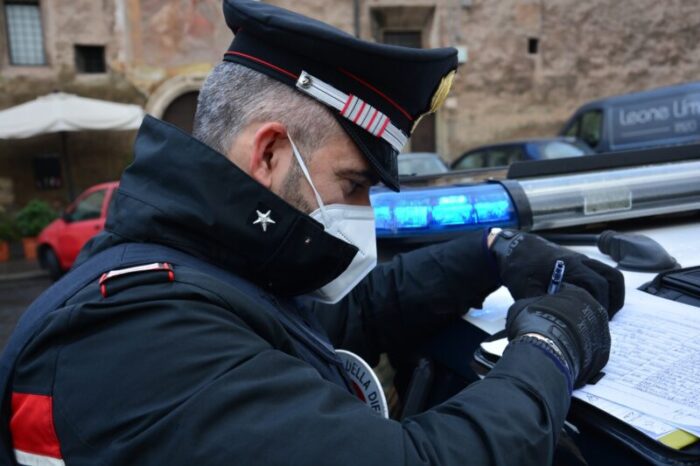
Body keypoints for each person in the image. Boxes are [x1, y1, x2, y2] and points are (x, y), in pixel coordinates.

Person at [0, 1, 624, 465]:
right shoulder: (138, 331)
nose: (360, 210)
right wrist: (552, 348)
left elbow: (334, 322)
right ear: (269, 153)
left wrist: (489, 254)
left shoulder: (207, 267)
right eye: (352, 183)